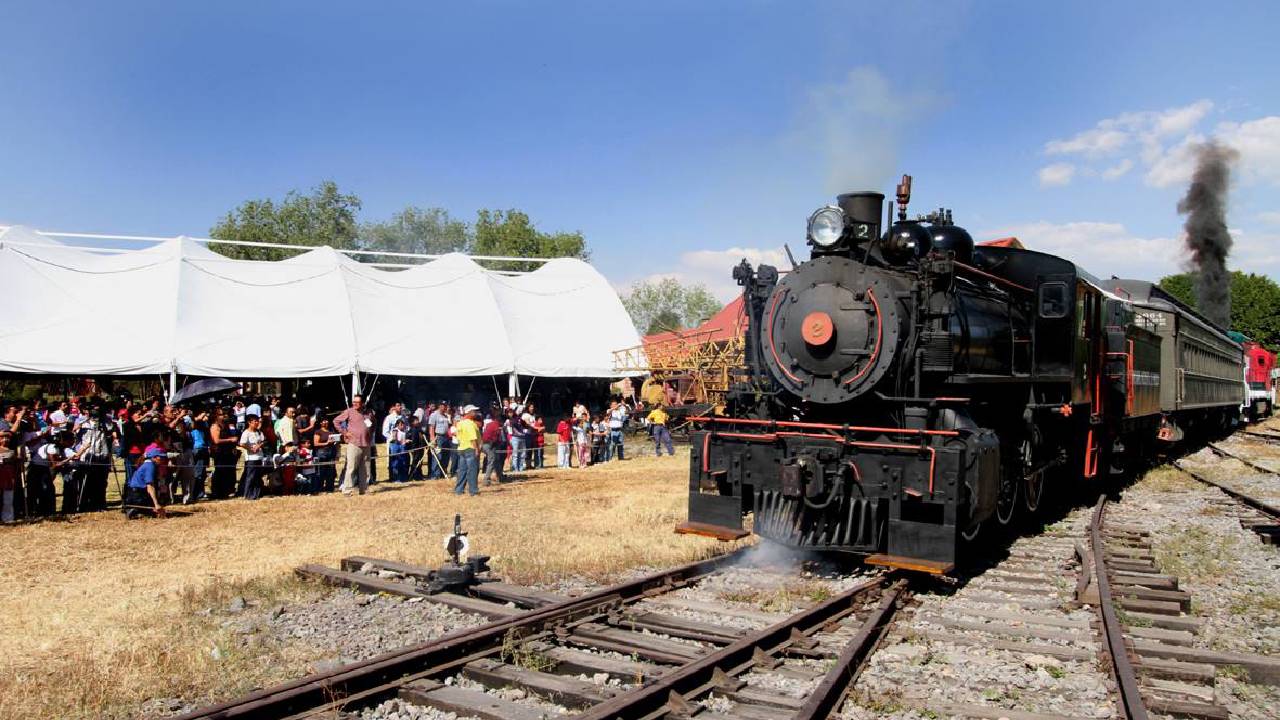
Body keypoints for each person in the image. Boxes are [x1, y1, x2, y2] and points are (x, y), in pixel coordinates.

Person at [333, 395, 374, 495]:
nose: (354, 404)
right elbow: (336, 421)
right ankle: (347, 490)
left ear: (363, 403)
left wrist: (370, 433)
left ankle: (363, 489)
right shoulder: (349, 411)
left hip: (366, 443)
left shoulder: (368, 412)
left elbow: (373, 424)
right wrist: (345, 433)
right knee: (351, 467)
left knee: (365, 468)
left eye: (357, 402)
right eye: (353, 402)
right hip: (354, 443)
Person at [123, 447, 168, 519]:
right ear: (154, 458)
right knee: (152, 512)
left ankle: (140, 509)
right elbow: (150, 487)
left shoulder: (148, 464)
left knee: (152, 512)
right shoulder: (150, 466)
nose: (163, 459)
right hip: (137, 495)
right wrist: (156, 504)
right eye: (161, 457)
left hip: (134, 492)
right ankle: (135, 510)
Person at [209, 409, 239, 499]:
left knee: (227, 472)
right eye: (221, 414)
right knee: (220, 472)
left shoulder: (224, 425)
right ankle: (217, 492)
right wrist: (230, 440)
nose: (223, 416)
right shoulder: (215, 427)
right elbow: (216, 440)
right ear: (216, 416)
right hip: (219, 453)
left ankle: (226, 491)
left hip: (227, 452)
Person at [453, 405, 481, 496]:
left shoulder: (460, 423)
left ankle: (459, 490)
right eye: (474, 411)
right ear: (469, 412)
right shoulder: (470, 424)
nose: (476, 413)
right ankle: (473, 491)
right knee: (472, 470)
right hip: (470, 448)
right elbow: (472, 437)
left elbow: (458, 436)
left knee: (462, 470)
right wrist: (476, 449)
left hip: (462, 448)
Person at [238, 415, 266, 500]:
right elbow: (242, 443)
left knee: (258, 476)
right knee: (250, 477)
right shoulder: (246, 433)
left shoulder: (259, 432)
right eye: (255, 421)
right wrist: (251, 448)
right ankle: (248, 494)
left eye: (257, 421)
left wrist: (259, 445)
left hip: (259, 457)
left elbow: (263, 441)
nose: (257, 423)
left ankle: (257, 494)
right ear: (249, 422)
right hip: (251, 458)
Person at [187, 410, 209, 504]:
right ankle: (196, 493)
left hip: (203, 448)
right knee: (198, 473)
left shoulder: (203, 425)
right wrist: (203, 413)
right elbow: (195, 421)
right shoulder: (194, 424)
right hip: (198, 449)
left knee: (202, 473)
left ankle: (201, 492)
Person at [312, 417, 338, 492]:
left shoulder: (331, 431)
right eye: (324, 421)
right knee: (321, 471)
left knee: (331, 471)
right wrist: (326, 443)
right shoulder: (318, 431)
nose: (325, 422)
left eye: (326, 421)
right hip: (321, 452)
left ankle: (330, 488)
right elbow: (315, 443)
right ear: (320, 423)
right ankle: (319, 488)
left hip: (331, 451)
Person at [428, 402, 453, 478]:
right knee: (438, 456)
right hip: (438, 437)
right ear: (440, 406)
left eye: (446, 406)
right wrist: (432, 439)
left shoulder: (446, 416)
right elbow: (431, 427)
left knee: (446, 456)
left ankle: (442, 473)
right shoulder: (434, 415)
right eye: (444, 406)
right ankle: (435, 475)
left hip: (446, 437)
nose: (445, 408)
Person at [482, 411, 506, 485]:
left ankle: (500, 476)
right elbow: (494, 439)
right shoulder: (497, 426)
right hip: (489, 445)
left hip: (486, 444)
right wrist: (498, 444)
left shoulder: (490, 424)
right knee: (491, 461)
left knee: (496, 460)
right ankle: (486, 479)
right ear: (501, 420)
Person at [0, 433, 18, 522]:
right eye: (2, 437)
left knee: (8, 498)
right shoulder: (8, 452)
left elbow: (15, 459)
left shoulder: (10, 451)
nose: (5, 439)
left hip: (8, 477)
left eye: (6, 437)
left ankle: (7, 518)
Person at [387, 418, 409, 483]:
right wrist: (404, 441)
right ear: (397, 425)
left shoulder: (404, 431)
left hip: (402, 447)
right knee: (395, 463)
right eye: (401, 424)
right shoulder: (395, 430)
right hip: (395, 447)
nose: (402, 426)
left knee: (402, 462)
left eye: (403, 424)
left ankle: (402, 478)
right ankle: (395, 478)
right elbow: (394, 439)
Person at [406, 414, 426, 480]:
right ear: (412, 422)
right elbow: (414, 441)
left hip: (420, 448)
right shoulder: (413, 430)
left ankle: (419, 474)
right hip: (416, 448)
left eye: (418, 420)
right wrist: (414, 449)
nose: (418, 422)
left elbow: (423, 435)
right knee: (415, 461)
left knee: (420, 461)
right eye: (416, 420)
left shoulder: (418, 429)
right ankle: (413, 475)